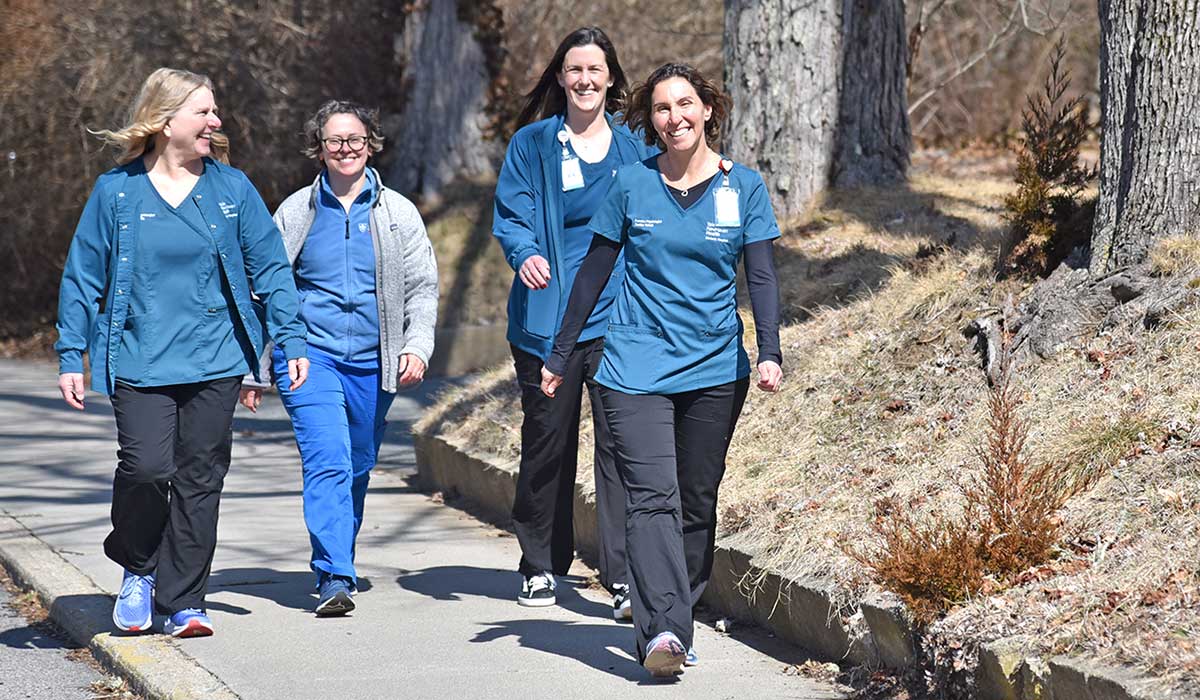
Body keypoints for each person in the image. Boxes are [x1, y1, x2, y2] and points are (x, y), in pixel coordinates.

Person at [540, 63, 784, 678]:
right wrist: (561, 352)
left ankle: (680, 611)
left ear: (707, 110)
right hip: (634, 366)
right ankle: (664, 632)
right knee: (652, 498)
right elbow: (593, 272)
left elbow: (760, 276)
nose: (674, 117)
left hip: (714, 367)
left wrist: (770, 350)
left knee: (696, 500)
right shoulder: (631, 185)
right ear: (650, 121)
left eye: (685, 104)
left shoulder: (743, 187)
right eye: (661, 108)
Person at [55, 67, 309, 638]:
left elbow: (271, 269)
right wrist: (71, 353)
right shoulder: (116, 192)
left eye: (213, 111)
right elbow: (82, 277)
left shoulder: (231, 189)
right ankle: (139, 568)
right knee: (146, 468)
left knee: (200, 477)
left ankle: (184, 600)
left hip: (216, 358)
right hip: (138, 357)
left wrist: (289, 339)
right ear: (165, 121)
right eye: (203, 111)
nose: (215, 121)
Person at [239, 100, 438, 617]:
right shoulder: (295, 212)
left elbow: (422, 288)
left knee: (357, 465)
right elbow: (265, 290)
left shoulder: (397, 213)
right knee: (327, 458)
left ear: (371, 144)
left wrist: (416, 346)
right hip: (309, 357)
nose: (345, 149)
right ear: (319, 148)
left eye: (355, 140)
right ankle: (334, 574)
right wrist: (256, 368)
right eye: (334, 141)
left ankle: (336, 559)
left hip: (375, 362)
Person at [492, 27, 657, 613]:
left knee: (621, 448)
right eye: (574, 69)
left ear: (611, 78)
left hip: (618, 319)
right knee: (548, 442)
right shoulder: (533, 144)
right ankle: (540, 565)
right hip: (546, 321)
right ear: (561, 78)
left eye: (595, 70)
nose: (585, 80)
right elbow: (511, 216)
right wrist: (524, 254)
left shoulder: (635, 146)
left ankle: (623, 575)